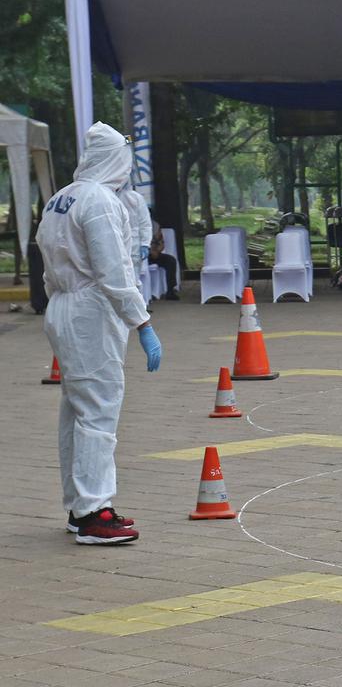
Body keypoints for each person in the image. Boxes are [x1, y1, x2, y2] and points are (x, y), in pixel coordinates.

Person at [36, 122, 162, 545]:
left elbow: (48, 261)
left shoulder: (61, 198)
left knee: (76, 409)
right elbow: (114, 271)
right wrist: (141, 320)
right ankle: (95, 513)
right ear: (115, 160)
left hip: (64, 305)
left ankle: (79, 506)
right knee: (98, 412)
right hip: (92, 311)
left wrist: (60, 302)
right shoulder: (101, 201)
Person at [118, 184, 151, 291]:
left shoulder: (136, 198)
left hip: (134, 244)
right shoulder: (108, 195)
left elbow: (144, 223)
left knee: (134, 278)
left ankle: (138, 305)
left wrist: (145, 243)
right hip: (119, 242)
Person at [147, 219, 179, 300]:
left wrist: (156, 251)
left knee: (171, 260)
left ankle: (170, 290)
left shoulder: (155, 226)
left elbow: (161, 243)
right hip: (140, 255)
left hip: (153, 254)